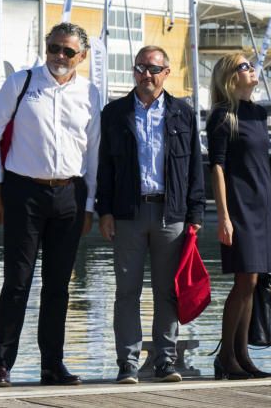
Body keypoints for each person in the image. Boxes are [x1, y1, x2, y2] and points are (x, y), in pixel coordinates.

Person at [0, 22, 101, 388]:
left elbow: (93, 150)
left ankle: (52, 364)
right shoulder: (21, 82)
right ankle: (1, 365)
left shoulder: (90, 92)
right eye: (53, 48)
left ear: (82, 56)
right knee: (17, 281)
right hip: (24, 192)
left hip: (70, 194)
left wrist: (90, 204)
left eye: (67, 51)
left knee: (58, 285)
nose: (59, 57)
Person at [96, 46, 205, 384]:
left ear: (166, 73)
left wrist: (195, 213)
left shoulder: (182, 113)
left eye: (154, 69)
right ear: (134, 71)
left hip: (170, 213)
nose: (147, 74)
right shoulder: (114, 113)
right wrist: (105, 211)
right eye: (141, 68)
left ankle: (165, 360)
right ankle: (127, 364)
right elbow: (105, 167)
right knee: (126, 291)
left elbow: (195, 168)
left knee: (167, 291)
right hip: (128, 212)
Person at [207, 53, 271, 379]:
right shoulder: (223, 116)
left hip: (263, 204)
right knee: (245, 280)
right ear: (230, 76)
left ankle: (242, 355)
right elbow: (218, 167)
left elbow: (256, 159)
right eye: (244, 66)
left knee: (253, 282)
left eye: (251, 65)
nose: (252, 70)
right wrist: (224, 215)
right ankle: (226, 356)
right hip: (239, 206)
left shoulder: (258, 113)